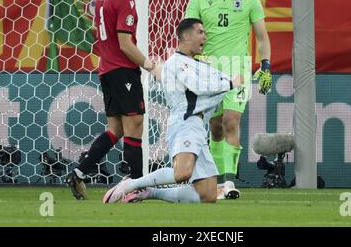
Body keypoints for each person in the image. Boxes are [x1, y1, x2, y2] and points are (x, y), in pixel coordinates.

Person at [101, 18, 244, 204]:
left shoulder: (196, 64)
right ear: (185, 36)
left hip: (198, 127)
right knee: (182, 173)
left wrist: (243, 77)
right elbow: (199, 86)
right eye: (200, 32)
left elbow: (214, 85)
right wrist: (231, 82)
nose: (205, 37)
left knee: (208, 195)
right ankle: (132, 183)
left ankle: (149, 192)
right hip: (185, 123)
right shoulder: (177, 62)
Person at [66, 0, 155, 199]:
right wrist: (150, 66)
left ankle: (80, 172)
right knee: (135, 124)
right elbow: (126, 44)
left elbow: (100, 31)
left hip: (106, 69)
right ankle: (136, 185)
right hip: (122, 69)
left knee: (116, 128)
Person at [184, 0, 272, 199]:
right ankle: (217, 180)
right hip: (208, 69)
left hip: (239, 68)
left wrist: (265, 65)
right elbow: (188, 33)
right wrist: (190, 64)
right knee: (215, 129)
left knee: (232, 121)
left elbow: (262, 37)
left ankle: (230, 182)